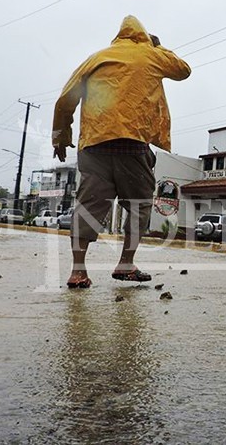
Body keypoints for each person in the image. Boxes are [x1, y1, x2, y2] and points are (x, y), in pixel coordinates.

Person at [52, 15, 191, 289]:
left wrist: (60, 137)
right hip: (132, 144)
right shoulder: (150, 55)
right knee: (139, 206)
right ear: (142, 36)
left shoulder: (96, 58)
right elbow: (183, 70)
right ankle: (126, 263)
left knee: (88, 207)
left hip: (94, 145)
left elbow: (64, 101)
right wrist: (158, 47)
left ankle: (77, 271)